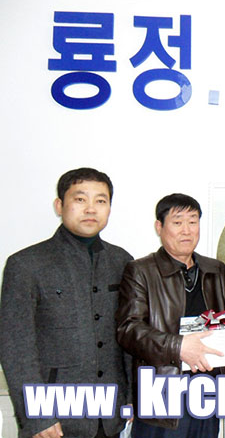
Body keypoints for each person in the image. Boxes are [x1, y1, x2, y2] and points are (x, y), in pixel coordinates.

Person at [0, 168, 132, 438]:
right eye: (80, 199)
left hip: (112, 417)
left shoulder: (122, 261)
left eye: (100, 200)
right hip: (54, 419)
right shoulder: (25, 264)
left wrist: (133, 399)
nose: (91, 208)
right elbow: (15, 347)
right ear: (59, 205)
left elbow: (130, 338)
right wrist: (37, 417)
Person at [116, 193, 225, 438]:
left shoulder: (216, 270)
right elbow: (129, 329)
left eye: (193, 221)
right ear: (159, 227)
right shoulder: (141, 271)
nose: (186, 230)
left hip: (208, 393)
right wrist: (178, 346)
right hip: (162, 393)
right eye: (177, 222)